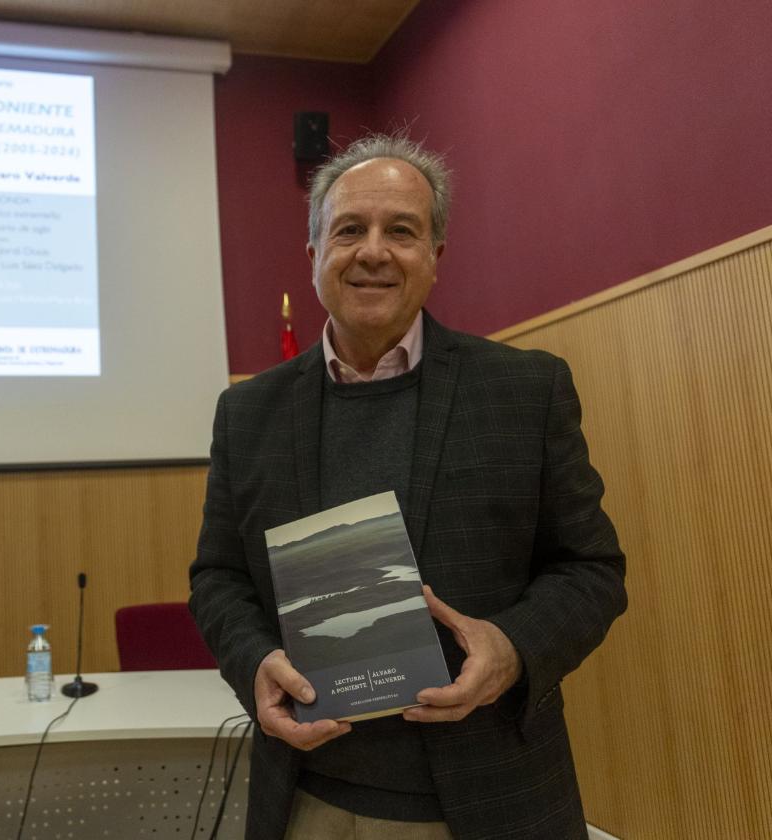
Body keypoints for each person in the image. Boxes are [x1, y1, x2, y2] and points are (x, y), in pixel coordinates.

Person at [189, 133, 627, 840]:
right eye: (349, 230)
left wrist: (512, 646)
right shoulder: (247, 413)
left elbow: (592, 569)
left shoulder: (525, 390)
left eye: (401, 231)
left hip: (495, 801)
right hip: (306, 799)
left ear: (434, 257)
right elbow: (218, 577)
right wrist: (256, 662)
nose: (372, 251)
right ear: (313, 257)